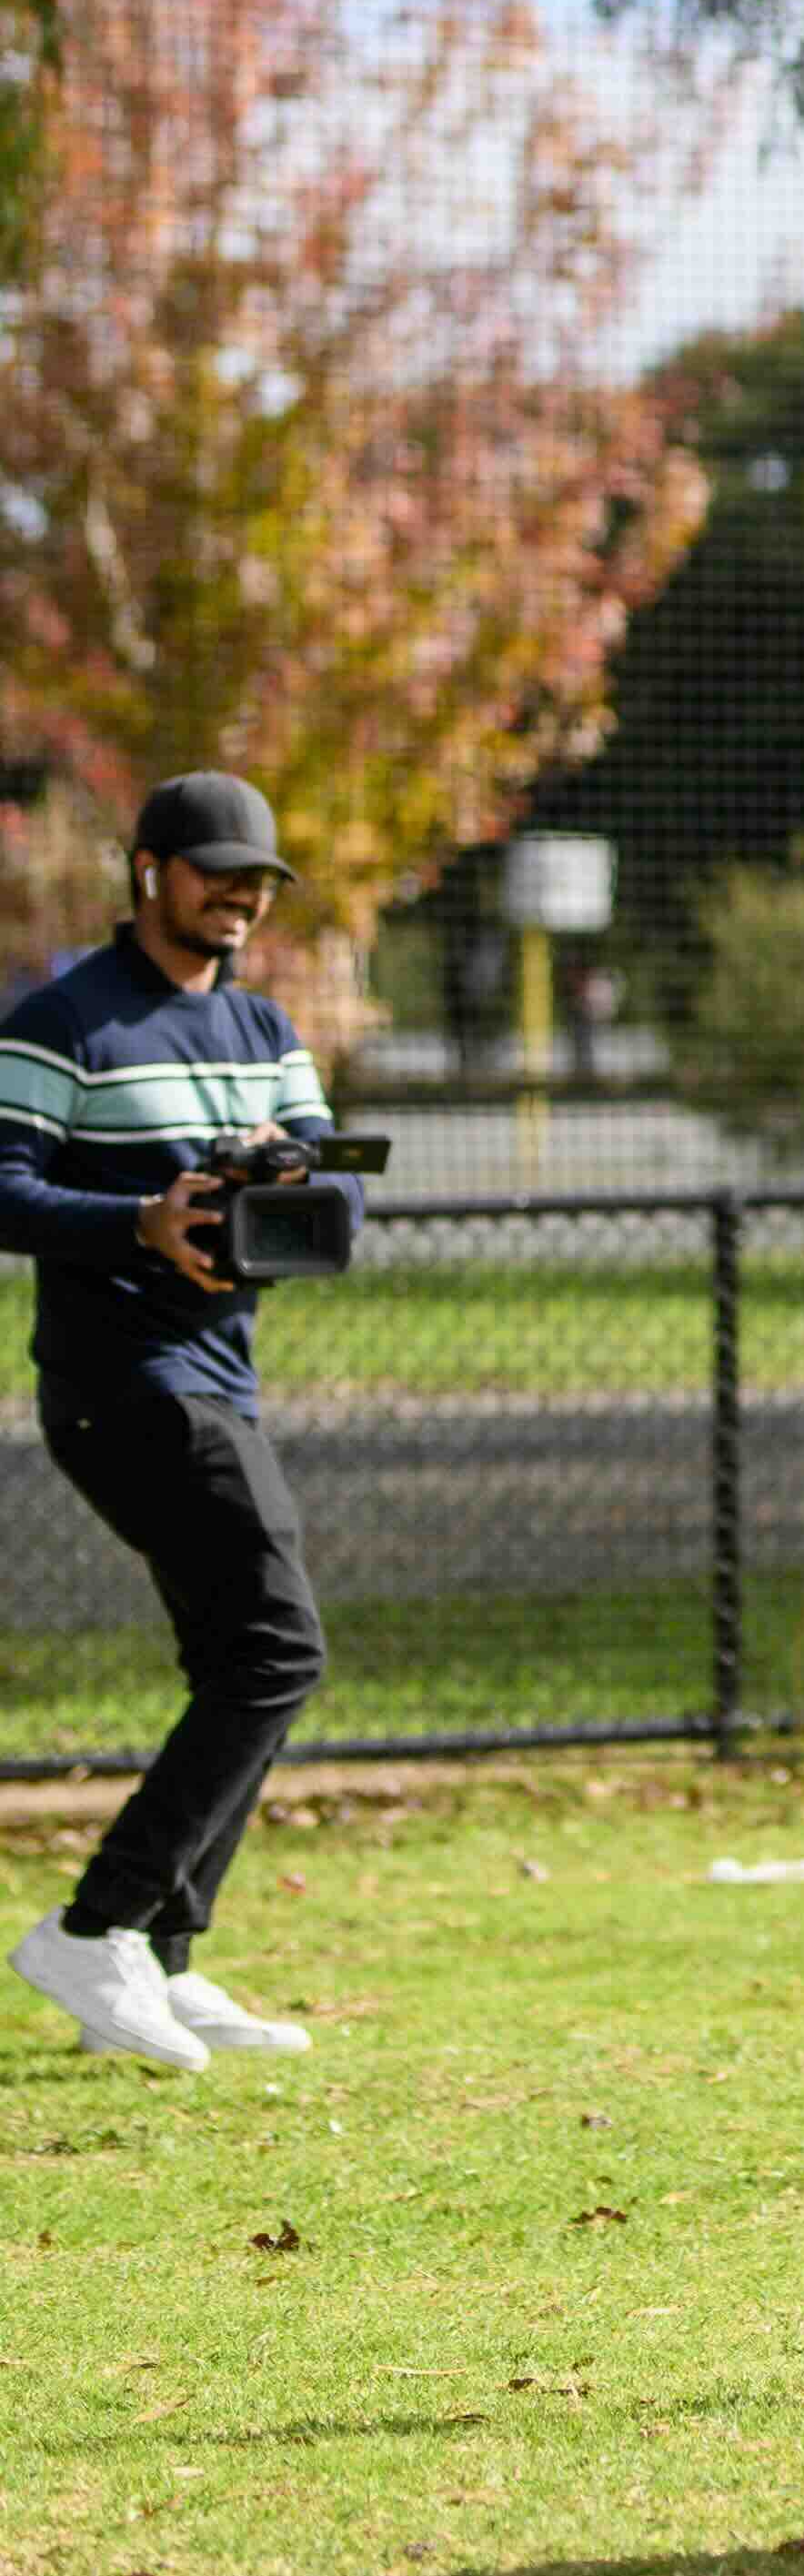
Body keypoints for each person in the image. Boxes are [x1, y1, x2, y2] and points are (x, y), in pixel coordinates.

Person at [0, 775, 357, 2073]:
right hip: (119, 1383)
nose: (243, 895)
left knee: (239, 1657)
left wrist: (281, 1172)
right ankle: (95, 1924)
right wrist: (141, 1220)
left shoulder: (265, 1026)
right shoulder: (64, 1021)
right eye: (217, 871)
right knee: (279, 1648)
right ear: (149, 871)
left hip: (220, 1375)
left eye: (259, 878)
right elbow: (5, 1186)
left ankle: (165, 1949)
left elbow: (329, 1199)